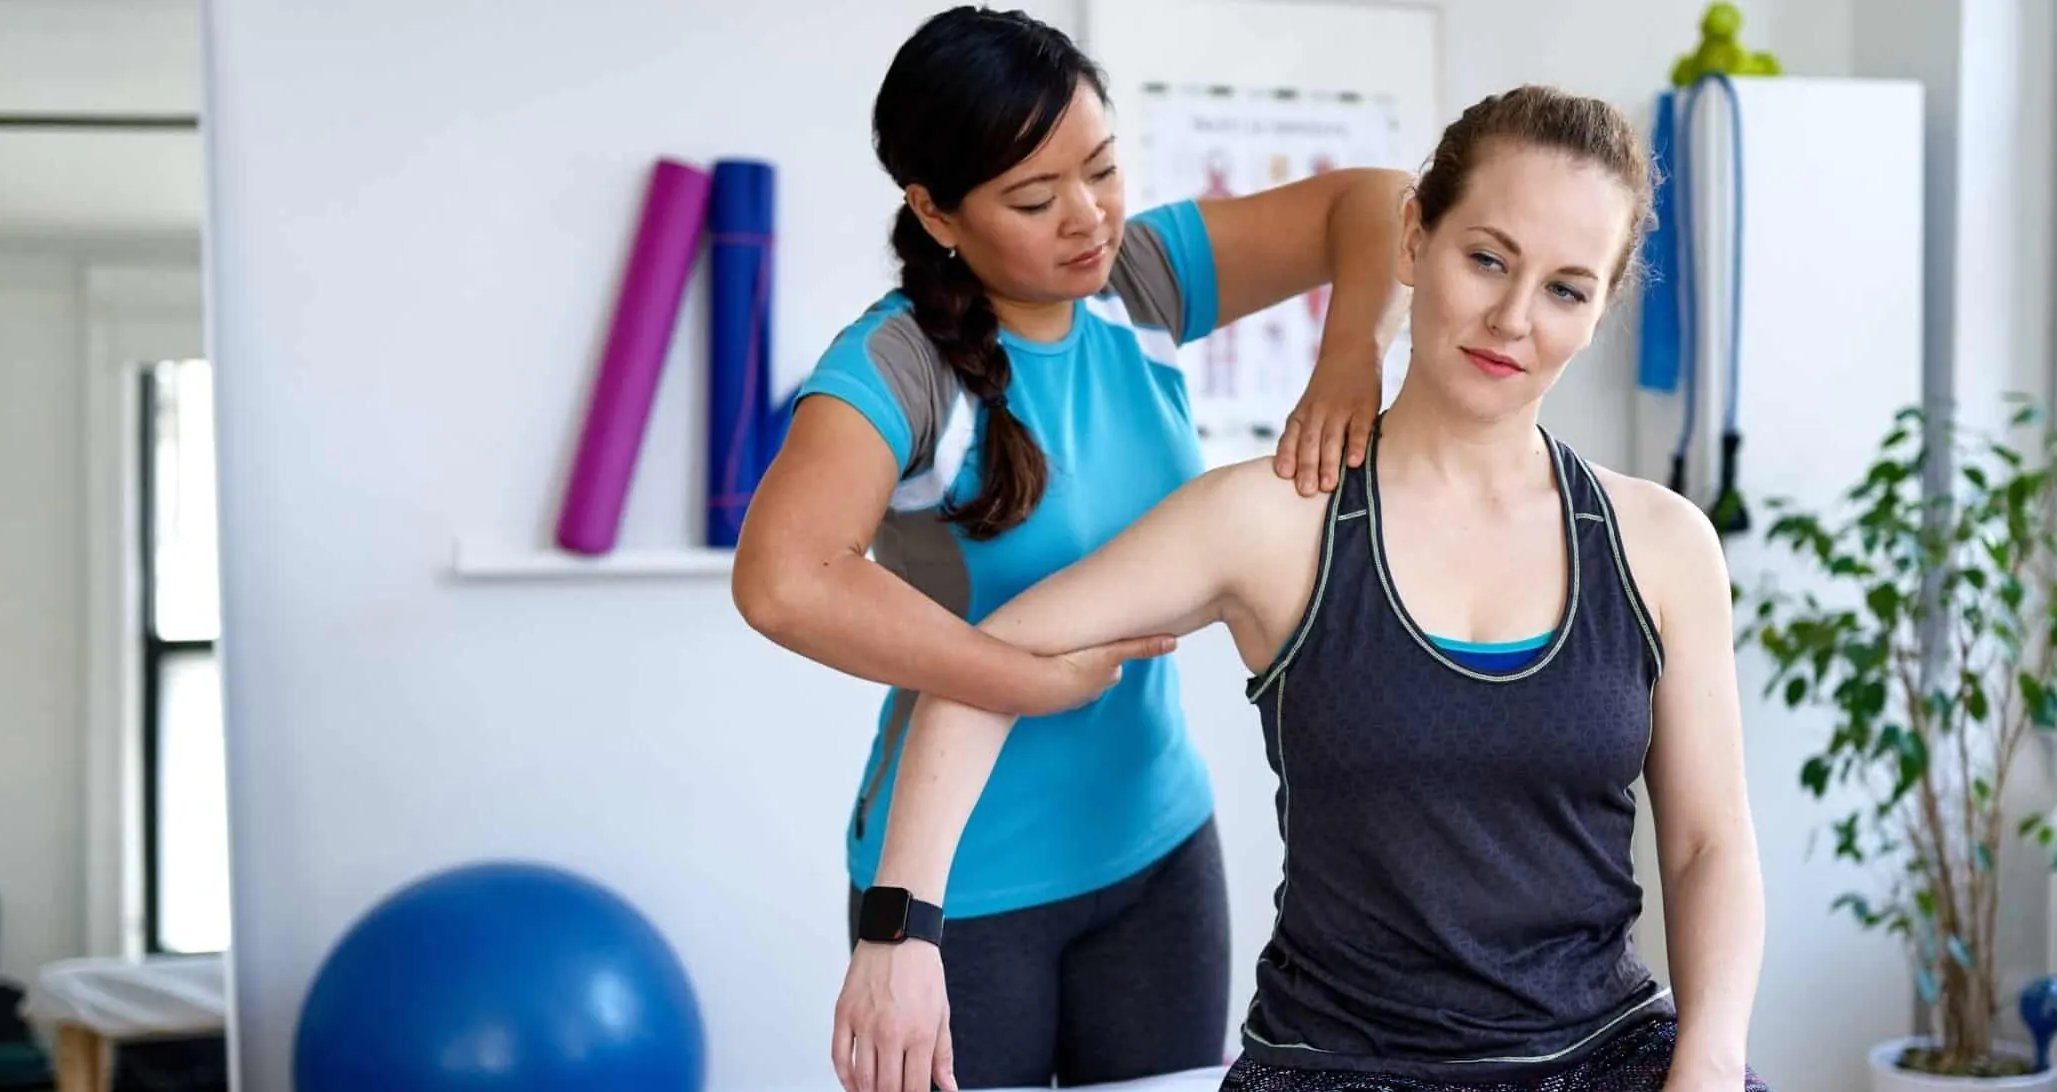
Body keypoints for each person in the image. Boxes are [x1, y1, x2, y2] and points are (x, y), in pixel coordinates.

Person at [838, 84, 1769, 1092]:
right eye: (1486, 258)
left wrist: (1710, 1057)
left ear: (1598, 311)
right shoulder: (1274, 521)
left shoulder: (1661, 546)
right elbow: (981, 669)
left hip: (1597, 1057)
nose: (1511, 318)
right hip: (1337, 1066)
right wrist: (901, 932)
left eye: (1564, 289)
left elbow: (1707, 843)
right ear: (1412, 239)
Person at [730, 5, 1411, 1089]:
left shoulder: (1139, 279)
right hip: (968, 882)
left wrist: (1348, 359)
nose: (1088, 218)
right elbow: (780, 580)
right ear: (935, 211)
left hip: (1156, 849)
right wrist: (1025, 681)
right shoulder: (898, 365)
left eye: (1100, 168)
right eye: (1035, 199)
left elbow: (1376, 202)